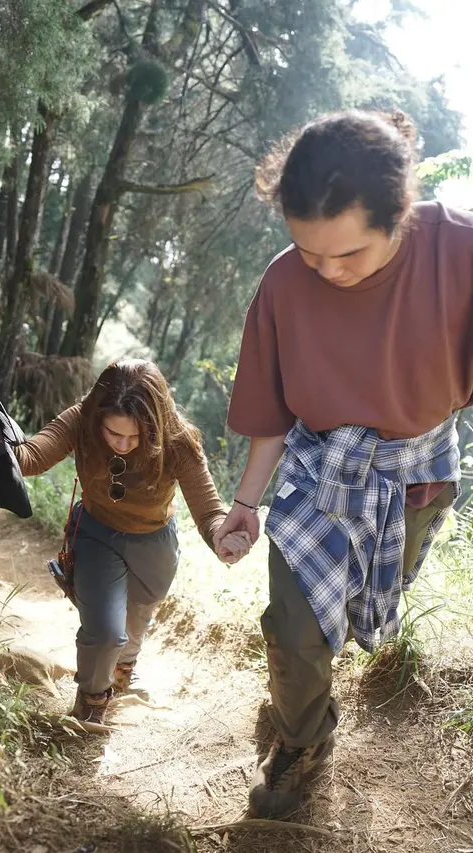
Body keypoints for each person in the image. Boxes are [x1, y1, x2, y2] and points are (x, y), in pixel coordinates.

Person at [214, 110, 473, 819]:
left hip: (414, 477)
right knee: (294, 627)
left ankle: (305, 697)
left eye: (349, 254)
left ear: (402, 214)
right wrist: (244, 504)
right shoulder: (281, 286)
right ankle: (304, 738)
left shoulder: (461, 252)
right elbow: (270, 418)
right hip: (314, 474)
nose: (326, 271)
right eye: (308, 250)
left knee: (360, 620)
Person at [0, 358, 250, 724]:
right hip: (96, 534)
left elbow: (209, 512)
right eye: (114, 434)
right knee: (105, 631)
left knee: (134, 625)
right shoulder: (81, 420)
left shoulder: (176, 439)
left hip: (155, 545)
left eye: (135, 436)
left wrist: (223, 538)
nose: (124, 444)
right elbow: (28, 458)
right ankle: (92, 703)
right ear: (98, 418)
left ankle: (125, 670)